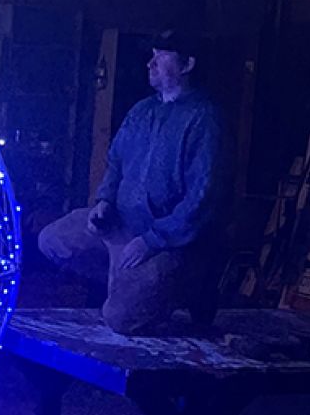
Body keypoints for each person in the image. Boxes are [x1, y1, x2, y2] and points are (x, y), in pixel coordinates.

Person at [38, 30, 228, 334]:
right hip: (120, 226)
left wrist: (151, 241)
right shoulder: (142, 111)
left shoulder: (204, 120)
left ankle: (184, 288)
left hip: (168, 241)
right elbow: (115, 163)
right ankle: (128, 286)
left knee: (120, 319)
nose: (151, 63)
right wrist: (104, 203)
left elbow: (201, 200)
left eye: (162, 56)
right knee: (52, 239)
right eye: (152, 55)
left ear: (188, 64)